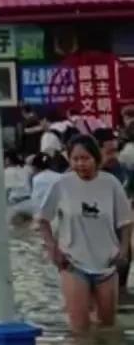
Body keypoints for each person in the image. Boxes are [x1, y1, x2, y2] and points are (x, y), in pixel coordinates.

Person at [38, 134, 134, 331]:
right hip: (74, 263)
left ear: (96, 158)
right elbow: (42, 219)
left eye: (86, 158)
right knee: (79, 330)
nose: (81, 164)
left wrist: (124, 250)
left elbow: (126, 221)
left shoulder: (111, 184)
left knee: (107, 328)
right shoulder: (61, 184)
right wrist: (52, 248)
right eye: (76, 159)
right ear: (69, 159)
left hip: (107, 263)